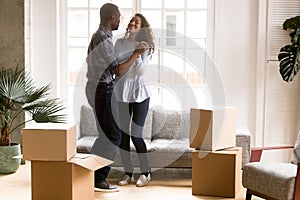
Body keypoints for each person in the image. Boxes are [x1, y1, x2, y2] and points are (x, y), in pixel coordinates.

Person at [85, 3, 147, 192]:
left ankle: (91, 174)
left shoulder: (104, 37)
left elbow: (90, 60)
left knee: (106, 135)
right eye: (120, 17)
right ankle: (99, 179)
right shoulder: (104, 38)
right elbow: (118, 70)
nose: (122, 20)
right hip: (101, 89)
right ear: (112, 17)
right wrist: (136, 53)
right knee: (114, 134)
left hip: (101, 88)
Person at [113, 13, 155, 187]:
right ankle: (127, 173)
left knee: (136, 135)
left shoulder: (146, 46)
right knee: (123, 136)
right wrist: (135, 53)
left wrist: (138, 53)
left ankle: (146, 173)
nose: (132, 23)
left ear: (141, 28)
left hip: (140, 95)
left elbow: (141, 73)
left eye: (136, 23)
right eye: (131, 21)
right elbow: (118, 70)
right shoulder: (120, 44)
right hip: (122, 93)